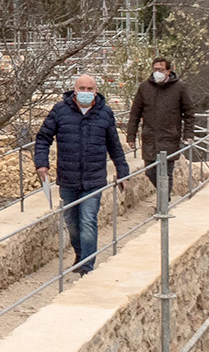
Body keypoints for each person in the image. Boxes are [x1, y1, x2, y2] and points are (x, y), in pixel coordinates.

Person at [34, 74, 130, 274]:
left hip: (94, 179)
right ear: (74, 89)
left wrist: (123, 172)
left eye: (90, 89)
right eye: (82, 88)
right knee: (72, 221)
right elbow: (43, 137)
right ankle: (80, 253)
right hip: (68, 178)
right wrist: (41, 164)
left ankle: (86, 265)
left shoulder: (105, 113)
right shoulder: (60, 111)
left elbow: (115, 146)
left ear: (96, 91)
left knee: (88, 220)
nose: (86, 93)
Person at [127, 57, 197, 193]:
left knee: (166, 173)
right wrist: (131, 135)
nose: (157, 72)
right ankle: (164, 200)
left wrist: (188, 134)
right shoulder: (144, 88)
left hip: (170, 137)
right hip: (150, 138)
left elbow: (189, 113)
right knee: (150, 172)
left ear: (168, 71)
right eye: (155, 69)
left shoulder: (180, 88)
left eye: (161, 69)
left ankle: (163, 204)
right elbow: (135, 113)